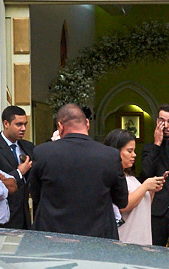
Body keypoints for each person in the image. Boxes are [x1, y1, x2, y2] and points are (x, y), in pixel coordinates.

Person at [27, 103, 128, 240]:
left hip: (53, 236)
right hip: (98, 237)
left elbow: (36, 194)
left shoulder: (43, 152)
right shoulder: (110, 155)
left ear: (60, 126)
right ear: (87, 123)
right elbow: (122, 200)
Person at [103, 129, 164, 245]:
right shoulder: (113, 177)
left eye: (134, 151)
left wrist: (152, 190)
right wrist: (145, 186)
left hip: (142, 237)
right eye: (129, 151)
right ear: (116, 151)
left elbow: (142, 206)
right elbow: (123, 206)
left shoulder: (130, 176)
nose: (134, 155)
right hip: (127, 239)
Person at [141, 103, 169, 246]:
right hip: (156, 212)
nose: (165, 125)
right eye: (161, 121)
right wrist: (157, 144)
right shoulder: (149, 148)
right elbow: (146, 174)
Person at [0, 106, 35, 229]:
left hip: (24, 215)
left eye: (25, 124)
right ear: (6, 124)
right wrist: (19, 172)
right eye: (18, 124)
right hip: (4, 217)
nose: (23, 129)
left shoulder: (28, 147)